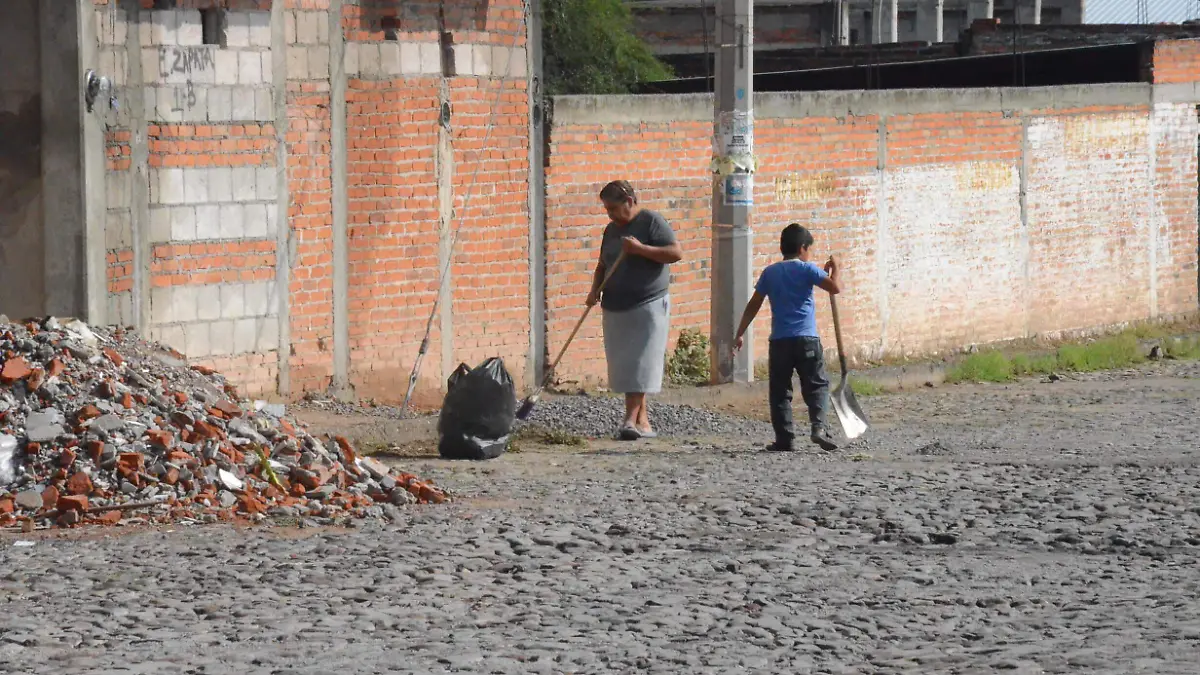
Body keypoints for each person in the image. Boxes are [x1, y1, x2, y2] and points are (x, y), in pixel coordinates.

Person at [587, 180, 683, 441]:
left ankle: (629, 421)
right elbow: (601, 265)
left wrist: (640, 249)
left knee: (642, 364)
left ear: (629, 201)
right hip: (615, 305)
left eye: (613, 208)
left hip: (648, 303)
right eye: (607, 210)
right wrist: (594, 290)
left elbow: (675, 253)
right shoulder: (610, 231)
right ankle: (643, 422)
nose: (610, 214)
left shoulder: (651, 221)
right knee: (626, 365)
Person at [732, 223, 842, 452]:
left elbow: (754, 304)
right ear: (803, 248)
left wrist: (740, 332)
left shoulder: (770, 272)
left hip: (780, 341)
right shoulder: (807, 269)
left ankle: (785, 438)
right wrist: (836, 269)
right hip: (807, 339)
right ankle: (818, 428)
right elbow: (834, 288)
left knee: (780, 391)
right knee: (816, 385)